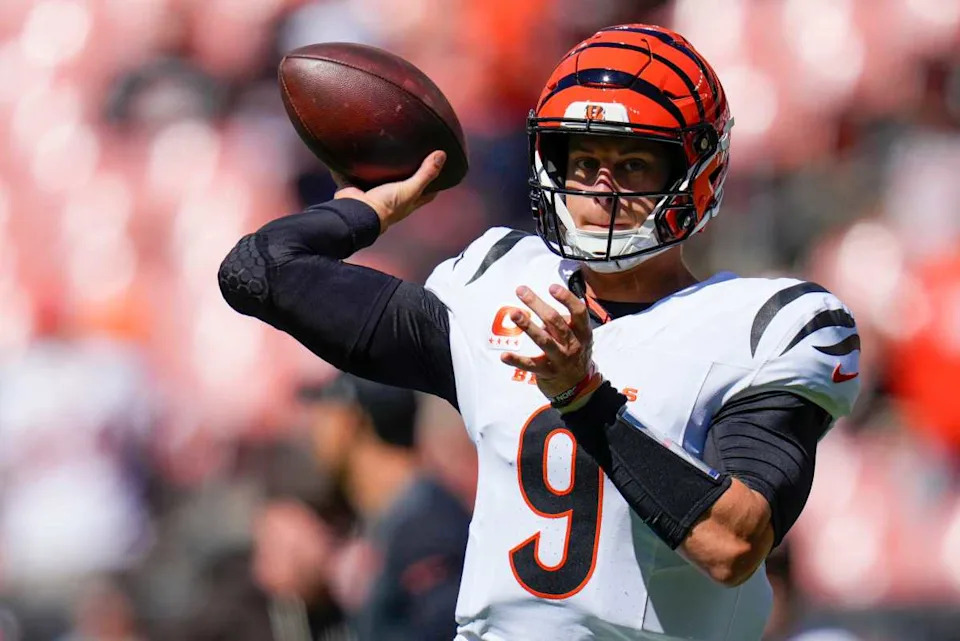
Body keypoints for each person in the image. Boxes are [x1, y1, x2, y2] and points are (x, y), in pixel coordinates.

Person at [219, 24, 861, 641]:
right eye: (583, 161)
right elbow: (258, 272)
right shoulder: (499, 282)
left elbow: (732, 544)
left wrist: (583, 396)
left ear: (697, 172)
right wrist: (369, 208)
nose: (600, 189)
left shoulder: (763, 325)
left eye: (633, 162)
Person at [299, 373, 470, 641]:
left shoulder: (426, 525)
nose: (311, 427)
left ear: (350, 421)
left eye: (323, 409)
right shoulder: (378, 518)